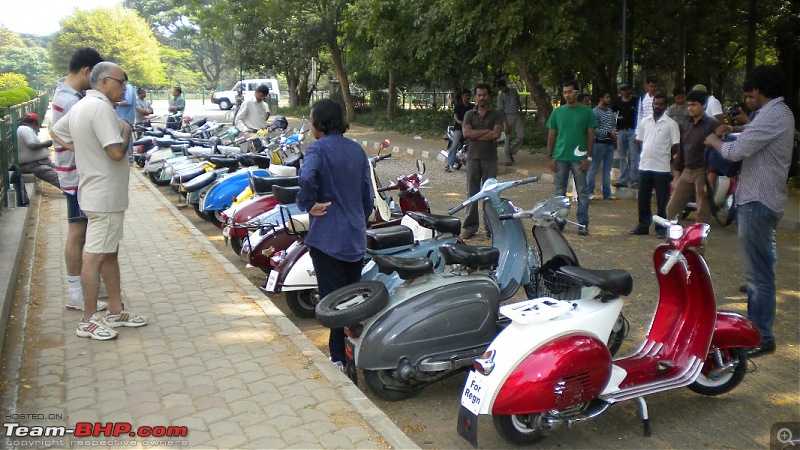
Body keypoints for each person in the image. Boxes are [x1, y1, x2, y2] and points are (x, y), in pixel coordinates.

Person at [50, 62, 148, 340]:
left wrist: (82, 149)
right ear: (104, 82)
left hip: (97, 192)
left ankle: (115, 310)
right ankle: (88, 320)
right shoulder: (101, 108)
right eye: (121, 82)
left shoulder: (81, 105)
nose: (124, 88)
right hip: (104, 196)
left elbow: (56, 131)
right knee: (94, 257)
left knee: (108, 252)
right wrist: (127, 129)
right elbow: (116, 152)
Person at [704, 65, 795, 358]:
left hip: (757, 200)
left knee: (758, 274)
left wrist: (714, 140)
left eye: (749, 94)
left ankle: (761, 335)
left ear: (758, 89)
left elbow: (734, 152)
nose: (747, 100)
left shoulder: (772, 115)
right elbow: (752, 134)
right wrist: (734, 129)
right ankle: (759, 329)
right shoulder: (779, 114)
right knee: (760, 269)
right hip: (765, 199)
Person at [296, 98, 373, 369]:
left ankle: (338, 359)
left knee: (333, 301)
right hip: (354, 235)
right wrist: (358, 218)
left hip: (327, 237)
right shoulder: (357, 150)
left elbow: (306, 179)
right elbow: (367, 194)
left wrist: (307, 204)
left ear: (319, 124)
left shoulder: (317, 149)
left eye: (311, 120)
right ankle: (356, 350)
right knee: (351, 297)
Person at [51, 47, 106, 312]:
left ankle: (87, 284)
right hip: (77, 177)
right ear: (86, 71)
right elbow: (72, 138)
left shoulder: (67, 95)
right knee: (77, 232)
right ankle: (75, 291)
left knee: (85, 232)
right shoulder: (72, 101)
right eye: (95, 76)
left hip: (75, 175)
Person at [546, 80, 596, 235]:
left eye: (570, 91)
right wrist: (550, 156)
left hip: (579, 158)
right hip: (560, 157)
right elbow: (552, 134)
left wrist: (588, 157)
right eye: (565, 92)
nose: (567, 95)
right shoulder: (557, 112)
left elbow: (591, 135)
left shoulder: (587, 112)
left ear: (576, 92)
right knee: (559, 192)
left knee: (582, 192)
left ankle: (582, 223)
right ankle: (559, 221)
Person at [665, 89, 719, 224]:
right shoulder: (686, 125)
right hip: (687, 171)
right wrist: (676, 178)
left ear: (704, 106)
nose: (690, 108)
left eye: (694, 105)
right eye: (688, 105)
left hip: (703, 172)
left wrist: (710, 180)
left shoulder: (711, 124)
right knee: (671, 209)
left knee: (702, 212)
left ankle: (699, 244)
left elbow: (715, 153)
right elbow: (681, 152)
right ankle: (675, 239)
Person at [630, 93, 680, 237]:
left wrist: (667, 156)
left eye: (660, 104)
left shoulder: (671, 124)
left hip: (662, 167)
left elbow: (676, 145)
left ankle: (662, 228)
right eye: (655, 104)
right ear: (652, 105)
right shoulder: (645, 122)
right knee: (643, 198)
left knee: (662, 200)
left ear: (665, 106)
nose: (657, 106)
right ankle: (643, 225)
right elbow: (640, 140)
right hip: (645, 165)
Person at [460, 83, 504, 240]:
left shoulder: (496, 114)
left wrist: (475, 133)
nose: (481, 98)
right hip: (472, 157)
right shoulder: (469, 114)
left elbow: (496, 135)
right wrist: (486, 131)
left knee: (490, 194)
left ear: (489, 96)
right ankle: (470, 227)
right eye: (479, 95)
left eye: (484, 95)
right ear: (475, 97)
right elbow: (466, 133)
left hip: (490, 158)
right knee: (472, 193)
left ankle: (490, 227)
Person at [586, 90, 617, 200]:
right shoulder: (595, 112)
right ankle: (589, 191)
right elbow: (594, 129)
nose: (609, 99)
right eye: (607, 97)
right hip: (599, 143)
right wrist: (608, 133)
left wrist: (613, 133)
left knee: (607, 170)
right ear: (601, 98)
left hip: (609, 144)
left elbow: (613, 125)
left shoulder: (610, 112)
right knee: (594, 168)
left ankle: (607, 193)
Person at [16, 113, 60, 189]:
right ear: (34, 123)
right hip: (32, 164)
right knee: (54, 176)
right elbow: (32, 145)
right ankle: (71, 192)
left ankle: (69, 189)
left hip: (38, 161)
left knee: (61, 171)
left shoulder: (23, 129)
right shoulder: (25, 129)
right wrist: (46, 144)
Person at [612, 83, 638, 188]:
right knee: (622, 157)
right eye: (622, 90)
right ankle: (623, 180)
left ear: (630, 90)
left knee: (634, 156)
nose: (624, 92)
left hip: (632, 131)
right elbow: (613, 114)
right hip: (621, 131)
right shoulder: (618, 101)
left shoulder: (636, 100)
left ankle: (635, 180)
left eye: (626, 89)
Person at [497, 80, 524, 166]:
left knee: (521, 135)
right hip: (507, 116)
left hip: (517, 114)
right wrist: (505, 123)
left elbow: (518, 100)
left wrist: (520, 108)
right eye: (500, 89)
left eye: (502, 88)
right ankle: (507, 159)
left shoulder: (514, 91)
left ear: (505, 85)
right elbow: (501, 111)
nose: (502, 90)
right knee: (507, 138)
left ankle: (511, 151)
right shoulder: (500, 97)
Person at [445, 89, 473, 173]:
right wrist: (461, 122)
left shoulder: (472, 107)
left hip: (470, 128)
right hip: (459, 128)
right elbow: (456, 118)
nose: (467, 97)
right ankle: (448, 164)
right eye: (465, 95)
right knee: (455, 144)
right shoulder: (458, 106)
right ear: (462, 96)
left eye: (468, 95)